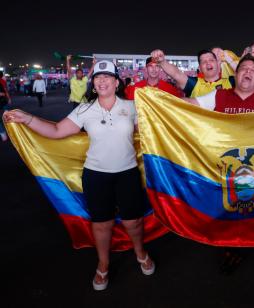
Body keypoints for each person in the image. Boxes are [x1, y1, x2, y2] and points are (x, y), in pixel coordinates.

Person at [3, 60, 155, 291]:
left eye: (107, 77)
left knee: (133, 221)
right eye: (97, 77)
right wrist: (28, 118)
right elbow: (56, 131)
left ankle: (140, 253)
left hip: (127, 174)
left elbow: (153, 132)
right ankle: (103, 265)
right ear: (93, 83)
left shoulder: (133, 107)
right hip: (96, 176)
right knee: (101, 224)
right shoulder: (84, 109)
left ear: (117, 82)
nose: (101, 81)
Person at [183, 54, 254, 274]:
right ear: (235, 75)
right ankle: (232, 247)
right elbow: (190, 105)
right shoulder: (218, 96)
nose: (248, 72)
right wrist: (160, 101)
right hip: (226, 167)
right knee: (229, 208)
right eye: (243, 69)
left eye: (253, 71)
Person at [150, 49, 232, 98]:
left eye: (211, 60)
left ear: (218, 64)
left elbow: (243, 72)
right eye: (204, 62)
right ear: (200, 68)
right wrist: (162, 62)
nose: (208, 63)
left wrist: (229, 60)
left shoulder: (232, 82)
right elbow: (176, 73)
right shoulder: (194, 84)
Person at [0, 72, 11, 141]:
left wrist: (8, 98)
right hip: (3, 102)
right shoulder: (3, 81)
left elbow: (4, 92)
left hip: (2, 102)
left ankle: (5, 132)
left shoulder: (1, 82)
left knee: (7, 115)